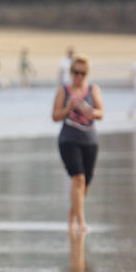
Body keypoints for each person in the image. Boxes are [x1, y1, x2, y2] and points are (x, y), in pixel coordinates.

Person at [51, 55, 104, 234]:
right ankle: (81, 222)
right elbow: (55, 116)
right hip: (69, 139)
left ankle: (73, 213)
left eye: (82, 73)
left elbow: (101, 113)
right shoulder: (64, 91)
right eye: (75, 72)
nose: (79, 77)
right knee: (78, 178)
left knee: (86, 182)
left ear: (87, 74)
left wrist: (90, 111)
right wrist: (68, 108)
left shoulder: (93, 90)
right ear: (71, 73)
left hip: (90, 140)